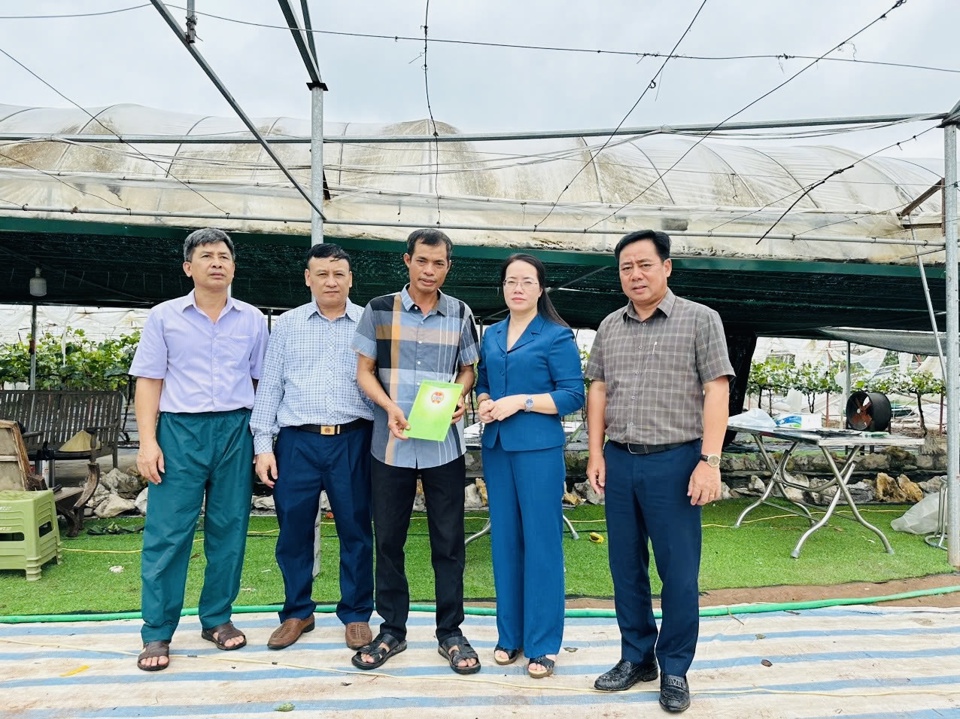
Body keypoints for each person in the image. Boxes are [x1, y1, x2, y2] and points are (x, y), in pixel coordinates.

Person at [584, 230, 733, 713]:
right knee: (625, 567)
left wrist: (709, 462)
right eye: (627, 267)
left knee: (679, 572)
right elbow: (599, 391)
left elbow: (717, 390)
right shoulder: (610, 325)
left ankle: (673, 668)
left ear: (667, 267)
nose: (635, 274)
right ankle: (635, 658)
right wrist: (596, 453)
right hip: (621, 459)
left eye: (644, 264)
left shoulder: (700, 320)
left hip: (677, 461)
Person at [130, 228, 268, 672]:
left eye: (224, 256)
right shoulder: (164, 317)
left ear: (233, 266)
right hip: (179, 432)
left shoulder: (252, 319)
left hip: (234, 429)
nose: (216, 262)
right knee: (168, 534)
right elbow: (149, 381)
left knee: (230, 530)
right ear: (188, 267)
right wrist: (147, 442)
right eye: (206, 256)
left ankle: (217, 619)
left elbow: (260, 382)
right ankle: (157, 632)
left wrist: (260, 440)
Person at [351, 228, 482, 675]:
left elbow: (468, 369)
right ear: (407, 261)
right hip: (391, 445)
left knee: (448, 544)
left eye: (439, 263)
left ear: (448, 266)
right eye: (422, 261)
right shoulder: (378, 310)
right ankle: (392, 630)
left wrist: (461, 396)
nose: (430, 271)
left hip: (444, 445)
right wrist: (387, 406)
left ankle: (451, 632)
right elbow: (364, 371)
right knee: (389, 540)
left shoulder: (460, 312)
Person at [250, 243, 375, 652]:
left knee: (356, 529)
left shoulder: (369, 322)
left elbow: (382, 382)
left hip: (353, 439)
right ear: (308, 278)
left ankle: (356, 614)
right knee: (294, 532)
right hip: (297, 442)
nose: (331, 281)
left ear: (351, 279)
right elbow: (270, 386)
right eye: (321, 273)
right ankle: (297, 612)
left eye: (338, 273)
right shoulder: (286, 325)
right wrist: (263, 445)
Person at [474, 253, 584, 679]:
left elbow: (573, 394)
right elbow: (484, 381)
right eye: (510, 281)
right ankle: (510, 636)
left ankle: (542, 644)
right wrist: (484, 401)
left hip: (538, 449)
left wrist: (520, 401)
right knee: (504, 542)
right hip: (498, 448)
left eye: (526, 281)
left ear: (540, 288)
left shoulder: (556, 337)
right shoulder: (492, 334)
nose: (517, 288)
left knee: (541, 544)